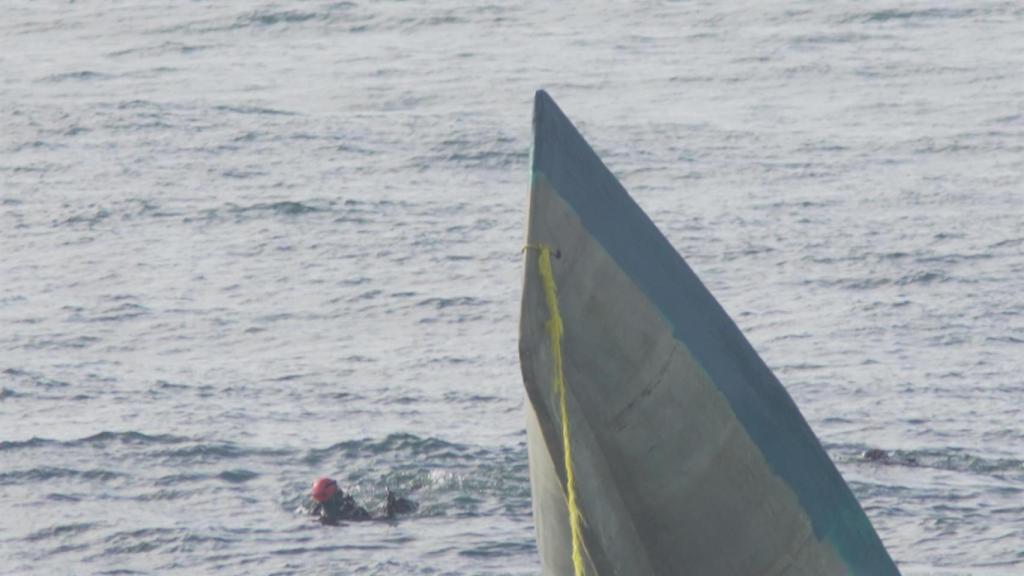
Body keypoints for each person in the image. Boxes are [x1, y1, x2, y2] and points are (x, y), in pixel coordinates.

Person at [310, 477, 415, 525]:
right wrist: (389, 512)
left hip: (368, 515)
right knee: (402, 504)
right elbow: (373, 519)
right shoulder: (350, 513)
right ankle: (414, 489)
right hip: (374, 515)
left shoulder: (316, 511)